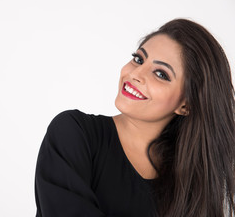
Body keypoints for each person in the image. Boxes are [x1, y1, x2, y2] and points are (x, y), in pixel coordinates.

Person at [34, 19, 235, 217]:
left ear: (186, 105)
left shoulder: (192, 185)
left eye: (160, 74)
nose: (136, 73)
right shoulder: (72, 133)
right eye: (138, 59)